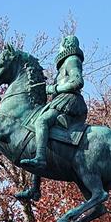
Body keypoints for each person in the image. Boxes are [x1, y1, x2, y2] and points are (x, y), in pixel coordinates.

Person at [20, 34, 87, 172]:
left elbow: (77, 81)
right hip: (61, 101)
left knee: (41, 122)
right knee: (37, 130)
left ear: (66, 46)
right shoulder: (65, 64)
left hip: (69, 101)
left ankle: (40, 158)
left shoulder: (72, 60)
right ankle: (35, 180)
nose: (58, 49)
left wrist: (53, 89)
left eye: (60, 46)